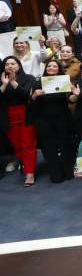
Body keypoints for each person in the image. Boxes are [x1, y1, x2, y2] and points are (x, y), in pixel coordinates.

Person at [27, 59, 73, 183]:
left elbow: (70, 101)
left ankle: (68, 172)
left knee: (66, 145)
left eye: (54, 66)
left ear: (59, 69)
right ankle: (55, 174)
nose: (51, 68)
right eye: (49, 66)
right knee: (49, 148)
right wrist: (35, 95)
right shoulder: (38, 83)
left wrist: (71, 92)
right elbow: (31, 104)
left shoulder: (65, 81)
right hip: (43, 120)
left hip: (62, 118)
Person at [0, 56, 37, 186]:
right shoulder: (1, 80)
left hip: (26, 115)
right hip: (8, 117)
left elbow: (26, 94)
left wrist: (13, 82)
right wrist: (5, 83)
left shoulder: (28, 78)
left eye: (13, 64)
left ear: (19, 66)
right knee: (18, 147)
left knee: (28, 145)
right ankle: (28, 167)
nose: (10, 66)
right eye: (7, 64)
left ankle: (30, 173)